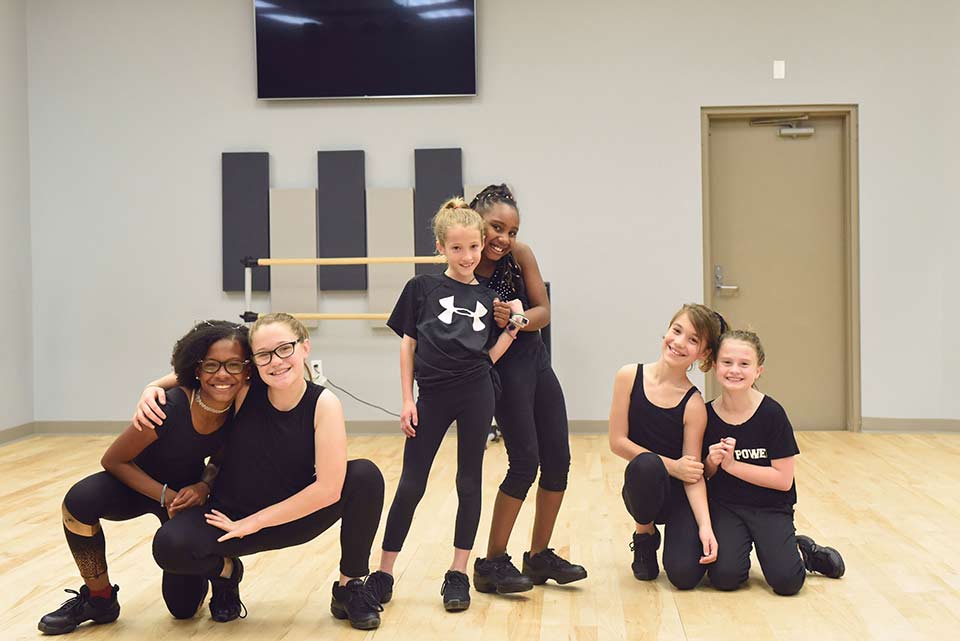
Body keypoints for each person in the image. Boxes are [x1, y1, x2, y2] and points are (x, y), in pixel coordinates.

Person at [139, 313, 386, 630]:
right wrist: (151, 387)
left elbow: (327, 490)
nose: (277, 361)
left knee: (365, 476)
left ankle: (349, 587)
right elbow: (196, 374)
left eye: (285, 349)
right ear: (252, 362)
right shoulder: (243, 389)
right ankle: (227, 574)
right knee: (171, 558)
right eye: (264, 354)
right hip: (227, 517)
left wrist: (252, 524)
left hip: (288, 518)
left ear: (304, 348)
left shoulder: (324, 404)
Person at [37, 320, 250, 635]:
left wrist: (203, 485)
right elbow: (114, 460)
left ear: (247, 369)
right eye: (211, 365)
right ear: (196, 368)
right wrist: (165, 496)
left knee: (183, 610)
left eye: (233, 365)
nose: (222, 374)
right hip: (137, 482)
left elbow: (221, 461)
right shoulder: (169, 404)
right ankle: (99, 599)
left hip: (186, 493)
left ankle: (226, 574)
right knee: (79, 501)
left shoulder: (243, 407)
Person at [371, 197, 523, 612]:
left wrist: (510, 332)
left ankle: (457, 574)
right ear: (440, 248)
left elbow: (485, 357)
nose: (467, 256)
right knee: (411, 484)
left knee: (468, 481)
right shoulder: (421, 288)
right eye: (457, 248)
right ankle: (383, 573)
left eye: (473, 247)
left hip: (477, 393)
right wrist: (407, 400)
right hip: (431, 396)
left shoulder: (490, 299)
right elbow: (408, 347)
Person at [468, 184, 586, 594]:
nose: (504, 238)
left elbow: (542, 311)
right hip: (504, 372)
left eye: (512, 230)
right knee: (524, 462)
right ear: (474, 220)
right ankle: (491, 563)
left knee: (558, 460)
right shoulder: (460, 268)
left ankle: (538, 557)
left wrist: (515, 319)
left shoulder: (520, 257)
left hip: (536, 362)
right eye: (496, 227)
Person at [701, 329, 845, 595]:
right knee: (725, 578)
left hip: (770, 507)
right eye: (727, 362)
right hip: (727, 507)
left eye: (744, 364)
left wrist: (733, 466)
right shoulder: (706, 414)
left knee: (787, 583)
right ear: (714, 366)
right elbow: (705, 474)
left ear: (758, 371)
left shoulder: (772, 414)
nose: (735, 370)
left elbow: (782, 480)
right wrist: (711, 462)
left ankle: (804, 552)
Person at [608, 304, 723, 588]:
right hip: (644, 485)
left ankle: (677, 536)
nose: (680, 342)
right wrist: (672, 466)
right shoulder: (628, 376)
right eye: (677, 331)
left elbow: (692, 473)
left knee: (683, 577)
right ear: (667, 332)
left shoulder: (694, 404)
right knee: (646, 465)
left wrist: (705, 527)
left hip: (678, 496)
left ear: (704, 354)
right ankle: (644, 536)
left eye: (693, 340)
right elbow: (617, 442)